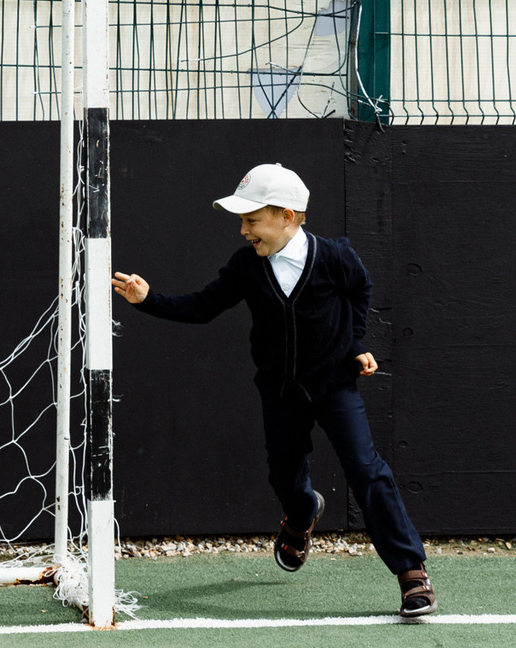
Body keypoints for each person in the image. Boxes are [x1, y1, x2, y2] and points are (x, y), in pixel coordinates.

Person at [112, 163, 435, 618]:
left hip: (334, 386)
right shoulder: (247, 266)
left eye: (252, 220)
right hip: (280, 391)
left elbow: (360, 291)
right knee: (285, 478)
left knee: (366, 470)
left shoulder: (337, 258)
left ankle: (411, 573)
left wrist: (356, 342)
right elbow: (204, 307)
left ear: (287, 216)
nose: (244, 230)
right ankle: (302, 515)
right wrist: (149, 300)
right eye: (242, 222)